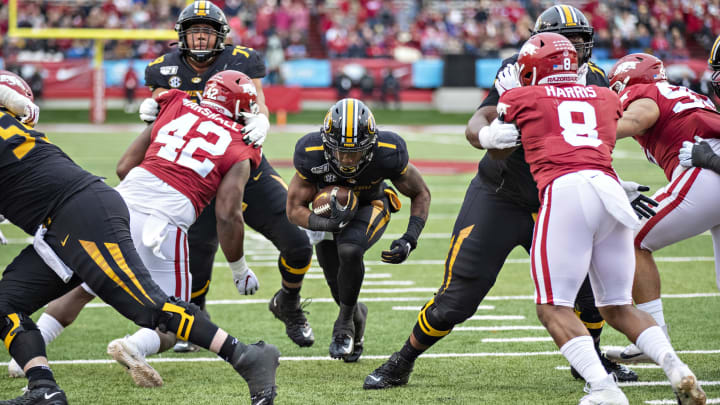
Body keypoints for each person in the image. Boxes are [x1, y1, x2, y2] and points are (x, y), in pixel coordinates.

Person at [364, 4, 639, 390]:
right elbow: (480, 119)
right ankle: (402, 359)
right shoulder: (523, 66)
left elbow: (601, 138)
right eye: (564, 40)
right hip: (502, 193)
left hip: (557, 198)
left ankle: (588, 362)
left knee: (590, 291)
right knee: (460, 295)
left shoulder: (595, 78)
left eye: (579, 41)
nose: (571, 50)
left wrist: (609, 180)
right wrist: (488, 135)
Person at [19, 1, 315, 358]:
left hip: (220, 170)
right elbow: (159, 117)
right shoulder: (165, 74)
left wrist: (262, 119)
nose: (202, 39)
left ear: (220, 37)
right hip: (194, 178)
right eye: (195, 31)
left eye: (208, 31)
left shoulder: (233, 69)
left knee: (296, 242)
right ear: (181, 36)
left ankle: (288, 304)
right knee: (197, 255)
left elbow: (128, 164)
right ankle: (192, 320)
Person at [0, 71, 280, 405]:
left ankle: (247, 356)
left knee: (147, 306)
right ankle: (43, 387)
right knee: (7, 302)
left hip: (86, 210)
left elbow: (125, 163)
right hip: (78, 215)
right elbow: (227, 212)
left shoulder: (179, 104)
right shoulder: (229, 133)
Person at [493, 32, 705, 405]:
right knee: (618, 306)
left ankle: (604, 388)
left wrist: (503, 106)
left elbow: (497, 141)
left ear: (530, 70)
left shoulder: (521, 95)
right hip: (610, 190)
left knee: (552, 305)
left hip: (565, 191)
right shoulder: (605, 96)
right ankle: (676, 367)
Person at [287, 98, 431, 361]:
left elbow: (420, 192)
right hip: (328, 213)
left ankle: (343, 327)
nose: (346, 159)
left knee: (350, 250)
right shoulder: (311, 151)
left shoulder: (389, 150)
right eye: (340, 150)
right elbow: (294, 207)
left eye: (355, 152)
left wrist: (411, 237)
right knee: (338, 287)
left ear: (372, 144)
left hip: (371, 203)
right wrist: (325, 223)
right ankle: (356, 318)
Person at [600, 52, 720, 366]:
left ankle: (653, 335)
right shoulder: (685, 94)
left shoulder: (644, 93)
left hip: (705, 170)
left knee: (631, 234)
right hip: (711, 165)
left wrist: (586, 131)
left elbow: (640, 117)